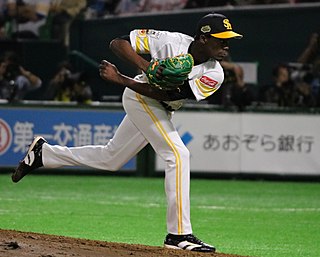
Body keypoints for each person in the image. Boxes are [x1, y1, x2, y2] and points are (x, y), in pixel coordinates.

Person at [12, 12, 243, 252]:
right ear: (203, 38)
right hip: (140, 99)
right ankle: (178, 235)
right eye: (221, 38)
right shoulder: (170, 41)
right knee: (178, 155)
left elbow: (171, 94)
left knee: (110, 158)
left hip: (156, 100)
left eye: (229, 39)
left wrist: (123, 79)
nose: (226, 45)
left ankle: (44, 154)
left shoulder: (215, 73)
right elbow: (118, 43)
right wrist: (147, 66)